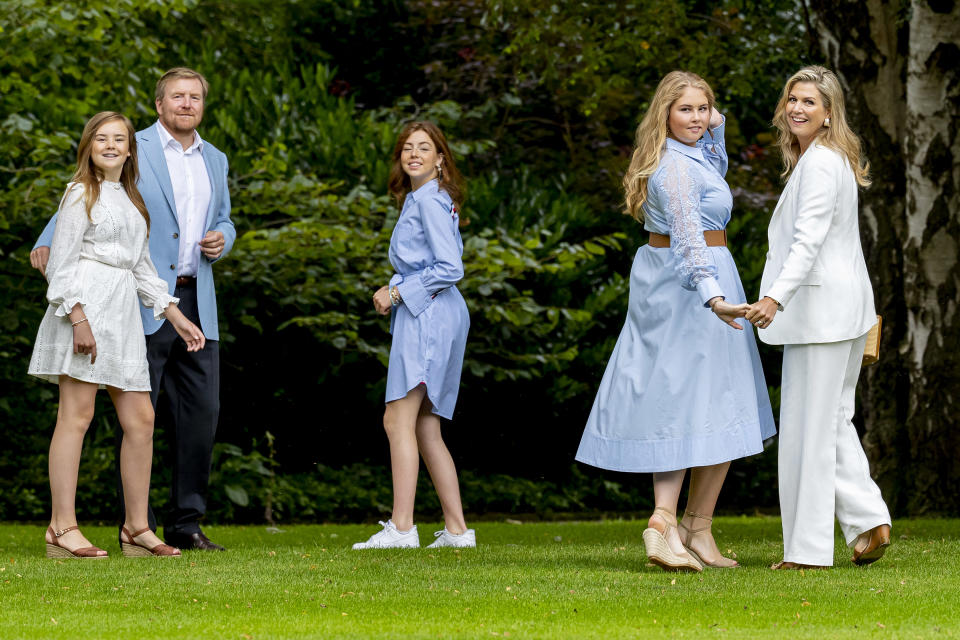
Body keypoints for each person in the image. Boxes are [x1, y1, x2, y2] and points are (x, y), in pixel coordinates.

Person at [575, 71, 776, 572]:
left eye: (703, 110)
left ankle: (696, 530)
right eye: (685, 109)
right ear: (664, 113)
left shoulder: (693, 157)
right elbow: (688, 239)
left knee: (715, 402)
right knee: (688, 402)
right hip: (694, 287)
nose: (697, 119)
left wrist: (713, 120)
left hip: (683, 281)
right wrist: (715, 299)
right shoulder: (676, 170)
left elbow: (716, 158)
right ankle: (665, 521)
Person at [30, 68, 236, 551]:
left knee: (154, 418)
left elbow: (146, 260)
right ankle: (63, 527)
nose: (186, 104)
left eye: (194, 97)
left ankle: (149, 527)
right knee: (77, 416)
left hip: (148, 305)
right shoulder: (107, 169)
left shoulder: (172, 179)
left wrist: (183, 313)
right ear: (160, 104)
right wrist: (70, 300)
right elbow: (69, 227)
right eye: (177, 97)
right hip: (90, 306)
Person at [745, 65, 892, 569]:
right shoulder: (823, 160)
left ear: (829, 114)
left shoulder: (822, 164)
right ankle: (869, 519)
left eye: (810, 101)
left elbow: (807, 242)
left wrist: (774, 299)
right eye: (792, 99)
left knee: (811, 429)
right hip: (836, 312)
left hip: (821, 313)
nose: (798, 108)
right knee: (829, 421)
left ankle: (808, 552)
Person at [352, 121, 475, 550]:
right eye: (408, 148)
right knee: (425, 425)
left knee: (397, 419)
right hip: (433, 314)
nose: (414, 154)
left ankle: (402, 528)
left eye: (425, 148)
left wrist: (397, 290)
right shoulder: (422, 200)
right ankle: (457, 531)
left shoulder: (430, 203)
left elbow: (450, 267)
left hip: (429, 314)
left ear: (441, 158)